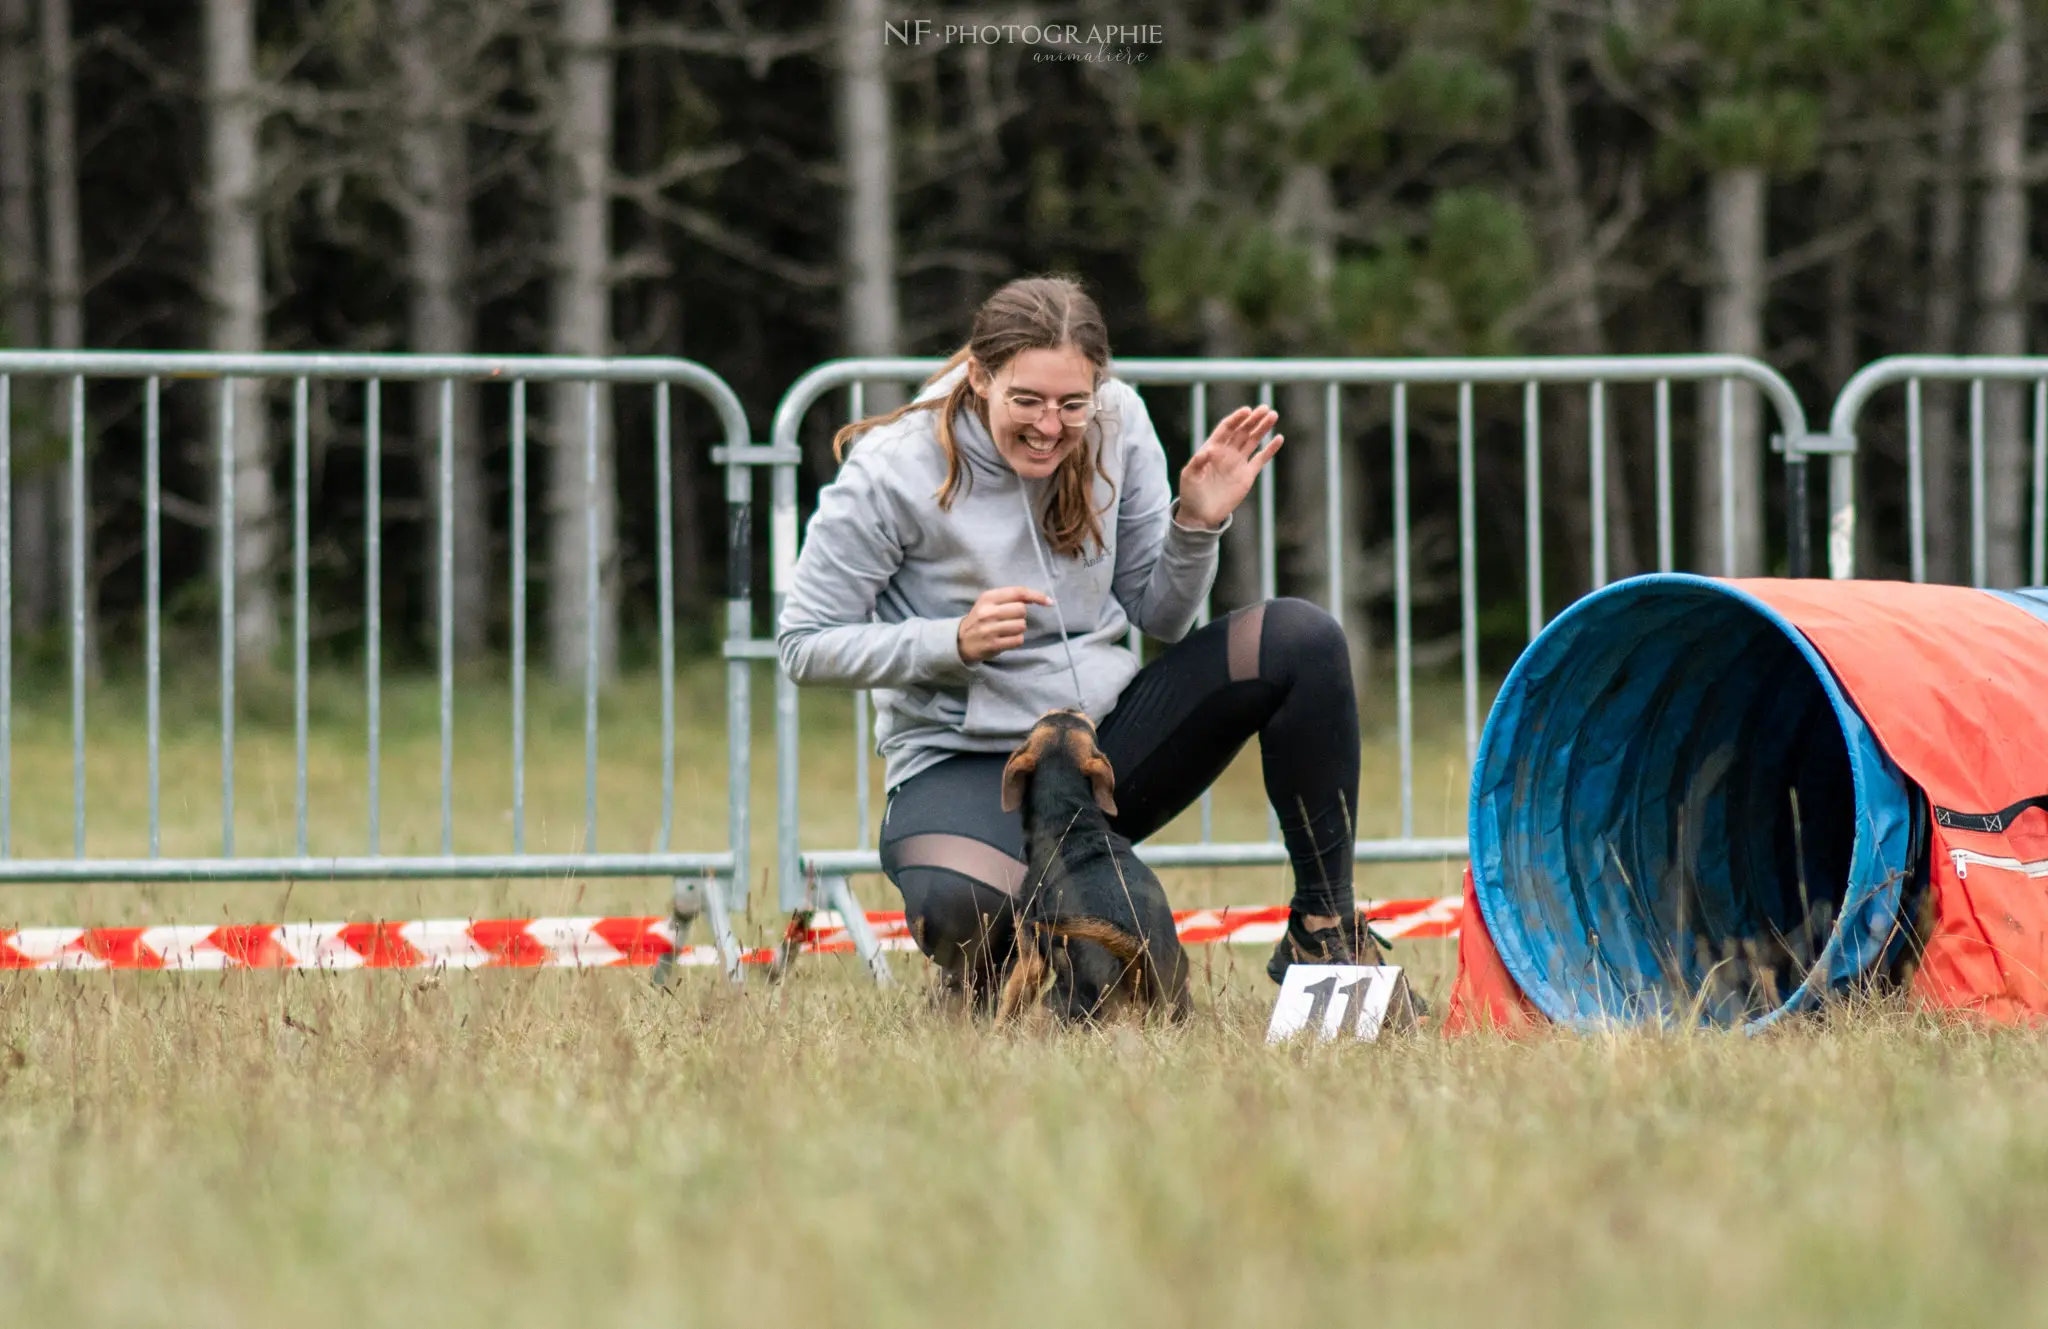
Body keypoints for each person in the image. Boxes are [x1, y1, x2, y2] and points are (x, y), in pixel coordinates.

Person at [778, 274, 1370, 1007]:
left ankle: (1326, 930)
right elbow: (804, 643)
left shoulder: (1120, 420)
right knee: (962, 906)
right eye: (1025, 400)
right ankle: (1002, 961)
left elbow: (1161, 618)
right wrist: (949, 641)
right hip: (963, 761)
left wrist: (1195, 525)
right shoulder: (891, 468)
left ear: (1099, 388)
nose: (1051, 426)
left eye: (1072, 403)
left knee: (1301, 638)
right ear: (979, 375)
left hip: (1103, 746)